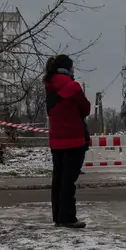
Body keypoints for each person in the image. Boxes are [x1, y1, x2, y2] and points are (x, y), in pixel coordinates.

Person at [44, 54, 93, 228]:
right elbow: (86, 109)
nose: (74, 70)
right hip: (74, 140)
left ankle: (58, 215)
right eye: (73, 67)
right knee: (68, 180)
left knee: (58, 178)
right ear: (68, 68)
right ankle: (67, 217)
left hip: (56, 140)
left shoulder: (49, 86)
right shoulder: (73, 87)